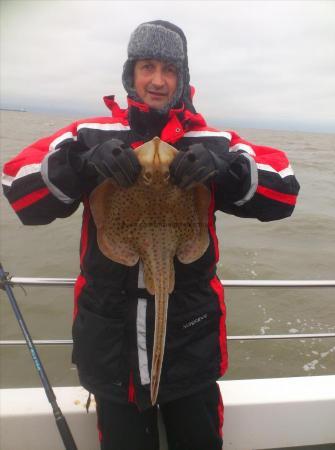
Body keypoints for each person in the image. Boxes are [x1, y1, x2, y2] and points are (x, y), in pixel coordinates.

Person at [2, 20, 300, 450]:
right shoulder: (90, 136)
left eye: (169, 69)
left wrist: (227, 171)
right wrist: (82, 164)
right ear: (131, 73)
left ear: (183, 78)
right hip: (111, 346)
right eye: (147, 66)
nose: (158, 80)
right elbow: (17, 188)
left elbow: (285, 191)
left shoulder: (212, 140)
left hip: (191, 343)